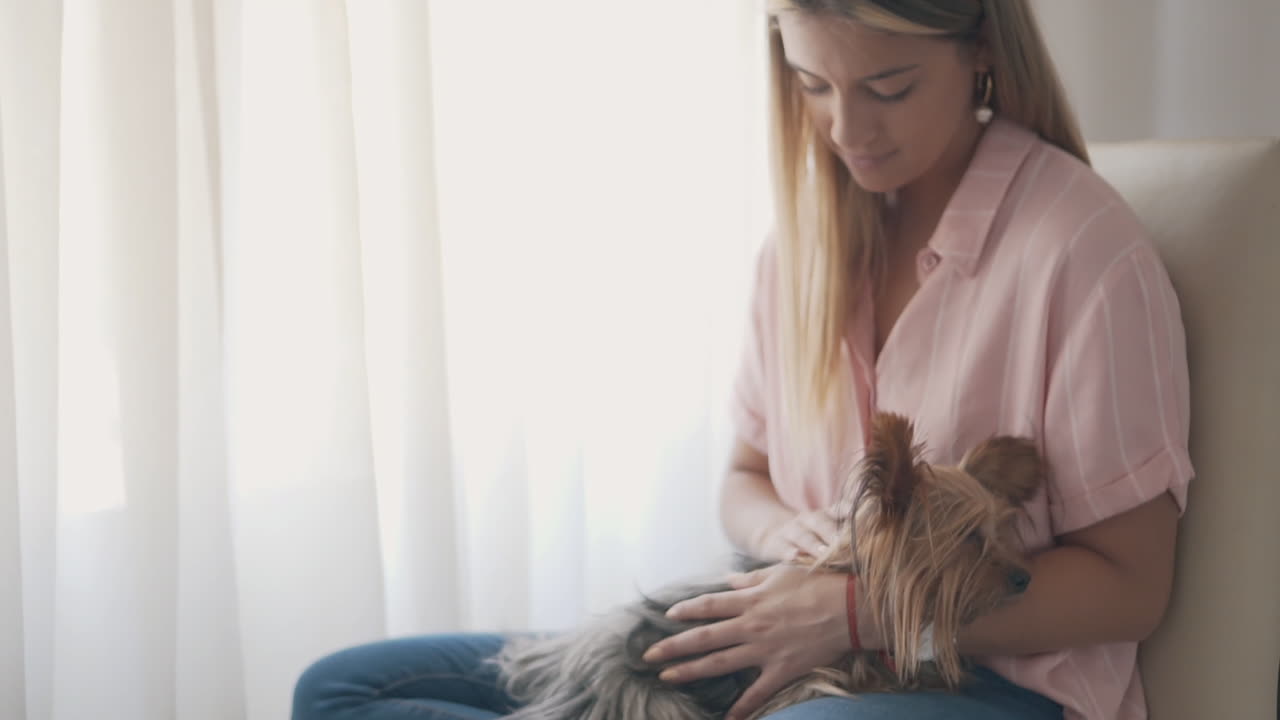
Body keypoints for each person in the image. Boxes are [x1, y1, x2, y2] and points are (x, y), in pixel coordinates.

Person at [291, 2, 1192, 719]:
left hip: (990, 683)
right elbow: (745, 478)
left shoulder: (1083, 252)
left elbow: (1131, 587)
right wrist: (779, 537)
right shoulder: (802, 248)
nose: (848, 132)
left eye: (889, 86)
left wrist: (854, 614)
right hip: (779, 638)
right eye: (812, 84)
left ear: (983, 49)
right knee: (340, 690)